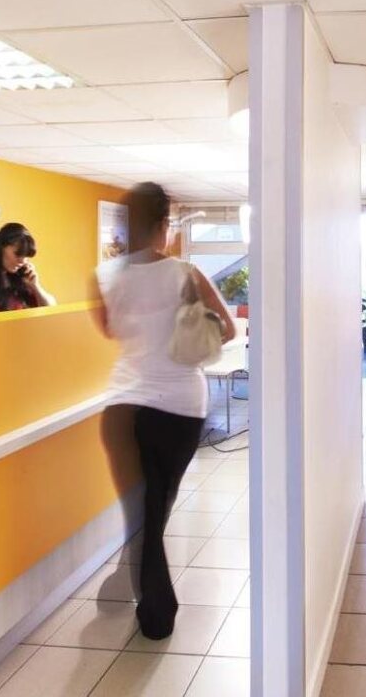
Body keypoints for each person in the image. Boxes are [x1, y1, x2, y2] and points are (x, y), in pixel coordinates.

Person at [93, 182, 235, 640]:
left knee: (142, 506)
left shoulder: (102, 275)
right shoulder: (185, 273)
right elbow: (228, 330)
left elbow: (109, 329)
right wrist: (184, 324)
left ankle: (124, 577)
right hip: (179, 405)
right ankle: (158, 612)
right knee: (156, 507)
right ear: (164, 224)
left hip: (122, 405)